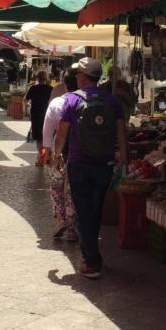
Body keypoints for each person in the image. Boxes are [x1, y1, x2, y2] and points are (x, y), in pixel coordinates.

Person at [53, 57, 128, 280]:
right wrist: (124, 159)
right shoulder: (112, 100)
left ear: (83, 77)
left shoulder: (72, 100)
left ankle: (93, 262)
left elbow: (61, 133)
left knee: (84, 211)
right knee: (94, 210)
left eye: (78, 73)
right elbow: (122, 132)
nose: (76, 76)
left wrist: (56, 156)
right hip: (103, 164)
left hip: (78, 163)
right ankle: (88, 256)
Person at [42, 72, 78, 241]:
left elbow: (47, 130)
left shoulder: (57, 102)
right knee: (71, 191)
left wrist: (47, 152)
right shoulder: (83, 102)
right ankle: (72, 229)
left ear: (65, 84)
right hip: (76, 154)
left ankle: (60, 220)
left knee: (56, 187)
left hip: (58, 153)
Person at [24, 71, 54, 158]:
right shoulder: (51, 89)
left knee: (38, 138)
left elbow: (26, 101)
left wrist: (28, 104)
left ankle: (41, 157)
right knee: (47, 136)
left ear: (37, 79)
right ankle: (47, 156)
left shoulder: (33, 88)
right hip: (47, 115)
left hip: (35, 115)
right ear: (46, 79)